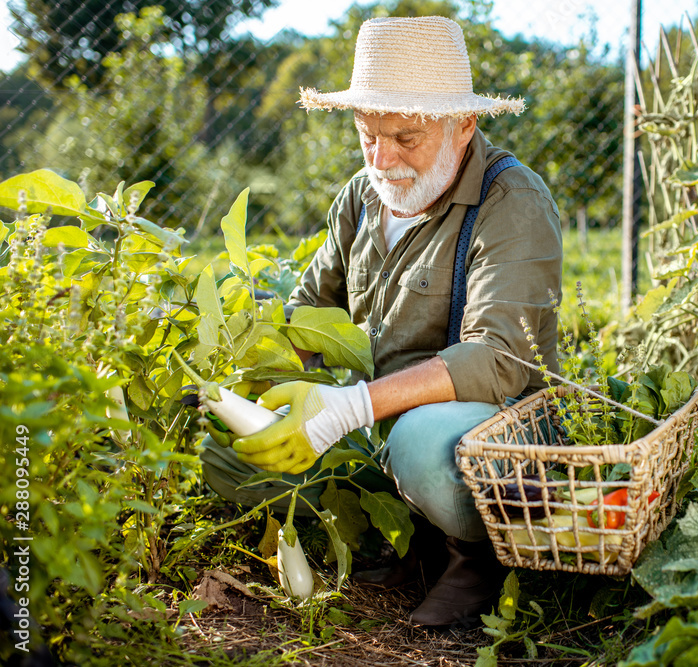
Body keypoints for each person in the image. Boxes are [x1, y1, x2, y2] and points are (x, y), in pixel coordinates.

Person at [199, 15, 562, 627]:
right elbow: (310, 314)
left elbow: (499, 358)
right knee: (227, 452)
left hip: (483, 432)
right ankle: (391, 535)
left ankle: (476, 558)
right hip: (371, 417)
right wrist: (254, 386)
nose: (383, 157)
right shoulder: (363, 196)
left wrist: (348, 409)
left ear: (464, 124)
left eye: (406, 137)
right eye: (367, 134)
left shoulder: (511, 202)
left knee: (422, 448)